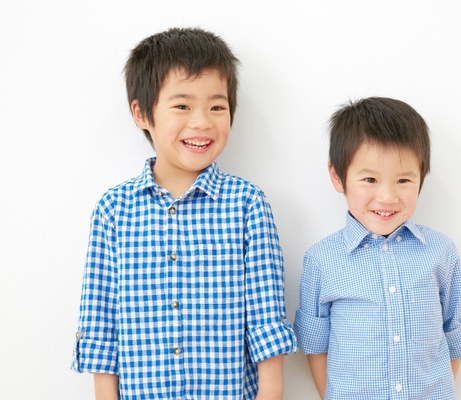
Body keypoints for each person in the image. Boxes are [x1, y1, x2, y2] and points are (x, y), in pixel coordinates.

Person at [71, 27, 297, 400]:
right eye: (182, 106)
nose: (202, 122)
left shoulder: (247, 205)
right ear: (142, 113)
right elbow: (100, 325)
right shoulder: (113, 210)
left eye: (217, 107)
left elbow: (266, 319)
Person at [294, 97, 461, 399]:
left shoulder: (441, 251)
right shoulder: (321, 260)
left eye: (403, 180)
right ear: (338, 176)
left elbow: (456, 335)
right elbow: (315, 345)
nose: (387, 197)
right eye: (370, 179)